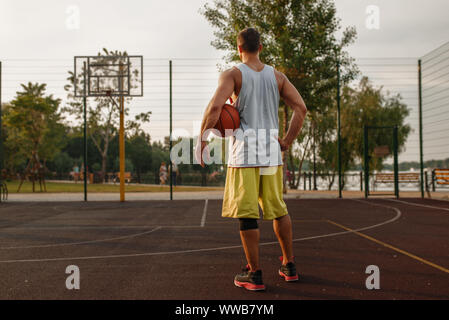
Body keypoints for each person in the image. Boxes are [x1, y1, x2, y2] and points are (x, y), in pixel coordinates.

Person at [198, 28, 307, 291]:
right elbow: (301, 109)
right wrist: (286, 141)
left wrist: (202, 141)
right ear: (260, 47)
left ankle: (255, 274)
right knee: (278, 209)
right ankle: (289, 265)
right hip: (270, 154)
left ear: (239, 49)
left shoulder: (233, 74)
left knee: (247, 214)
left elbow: (215, 108)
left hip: (244, 155)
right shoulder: (277, 77)